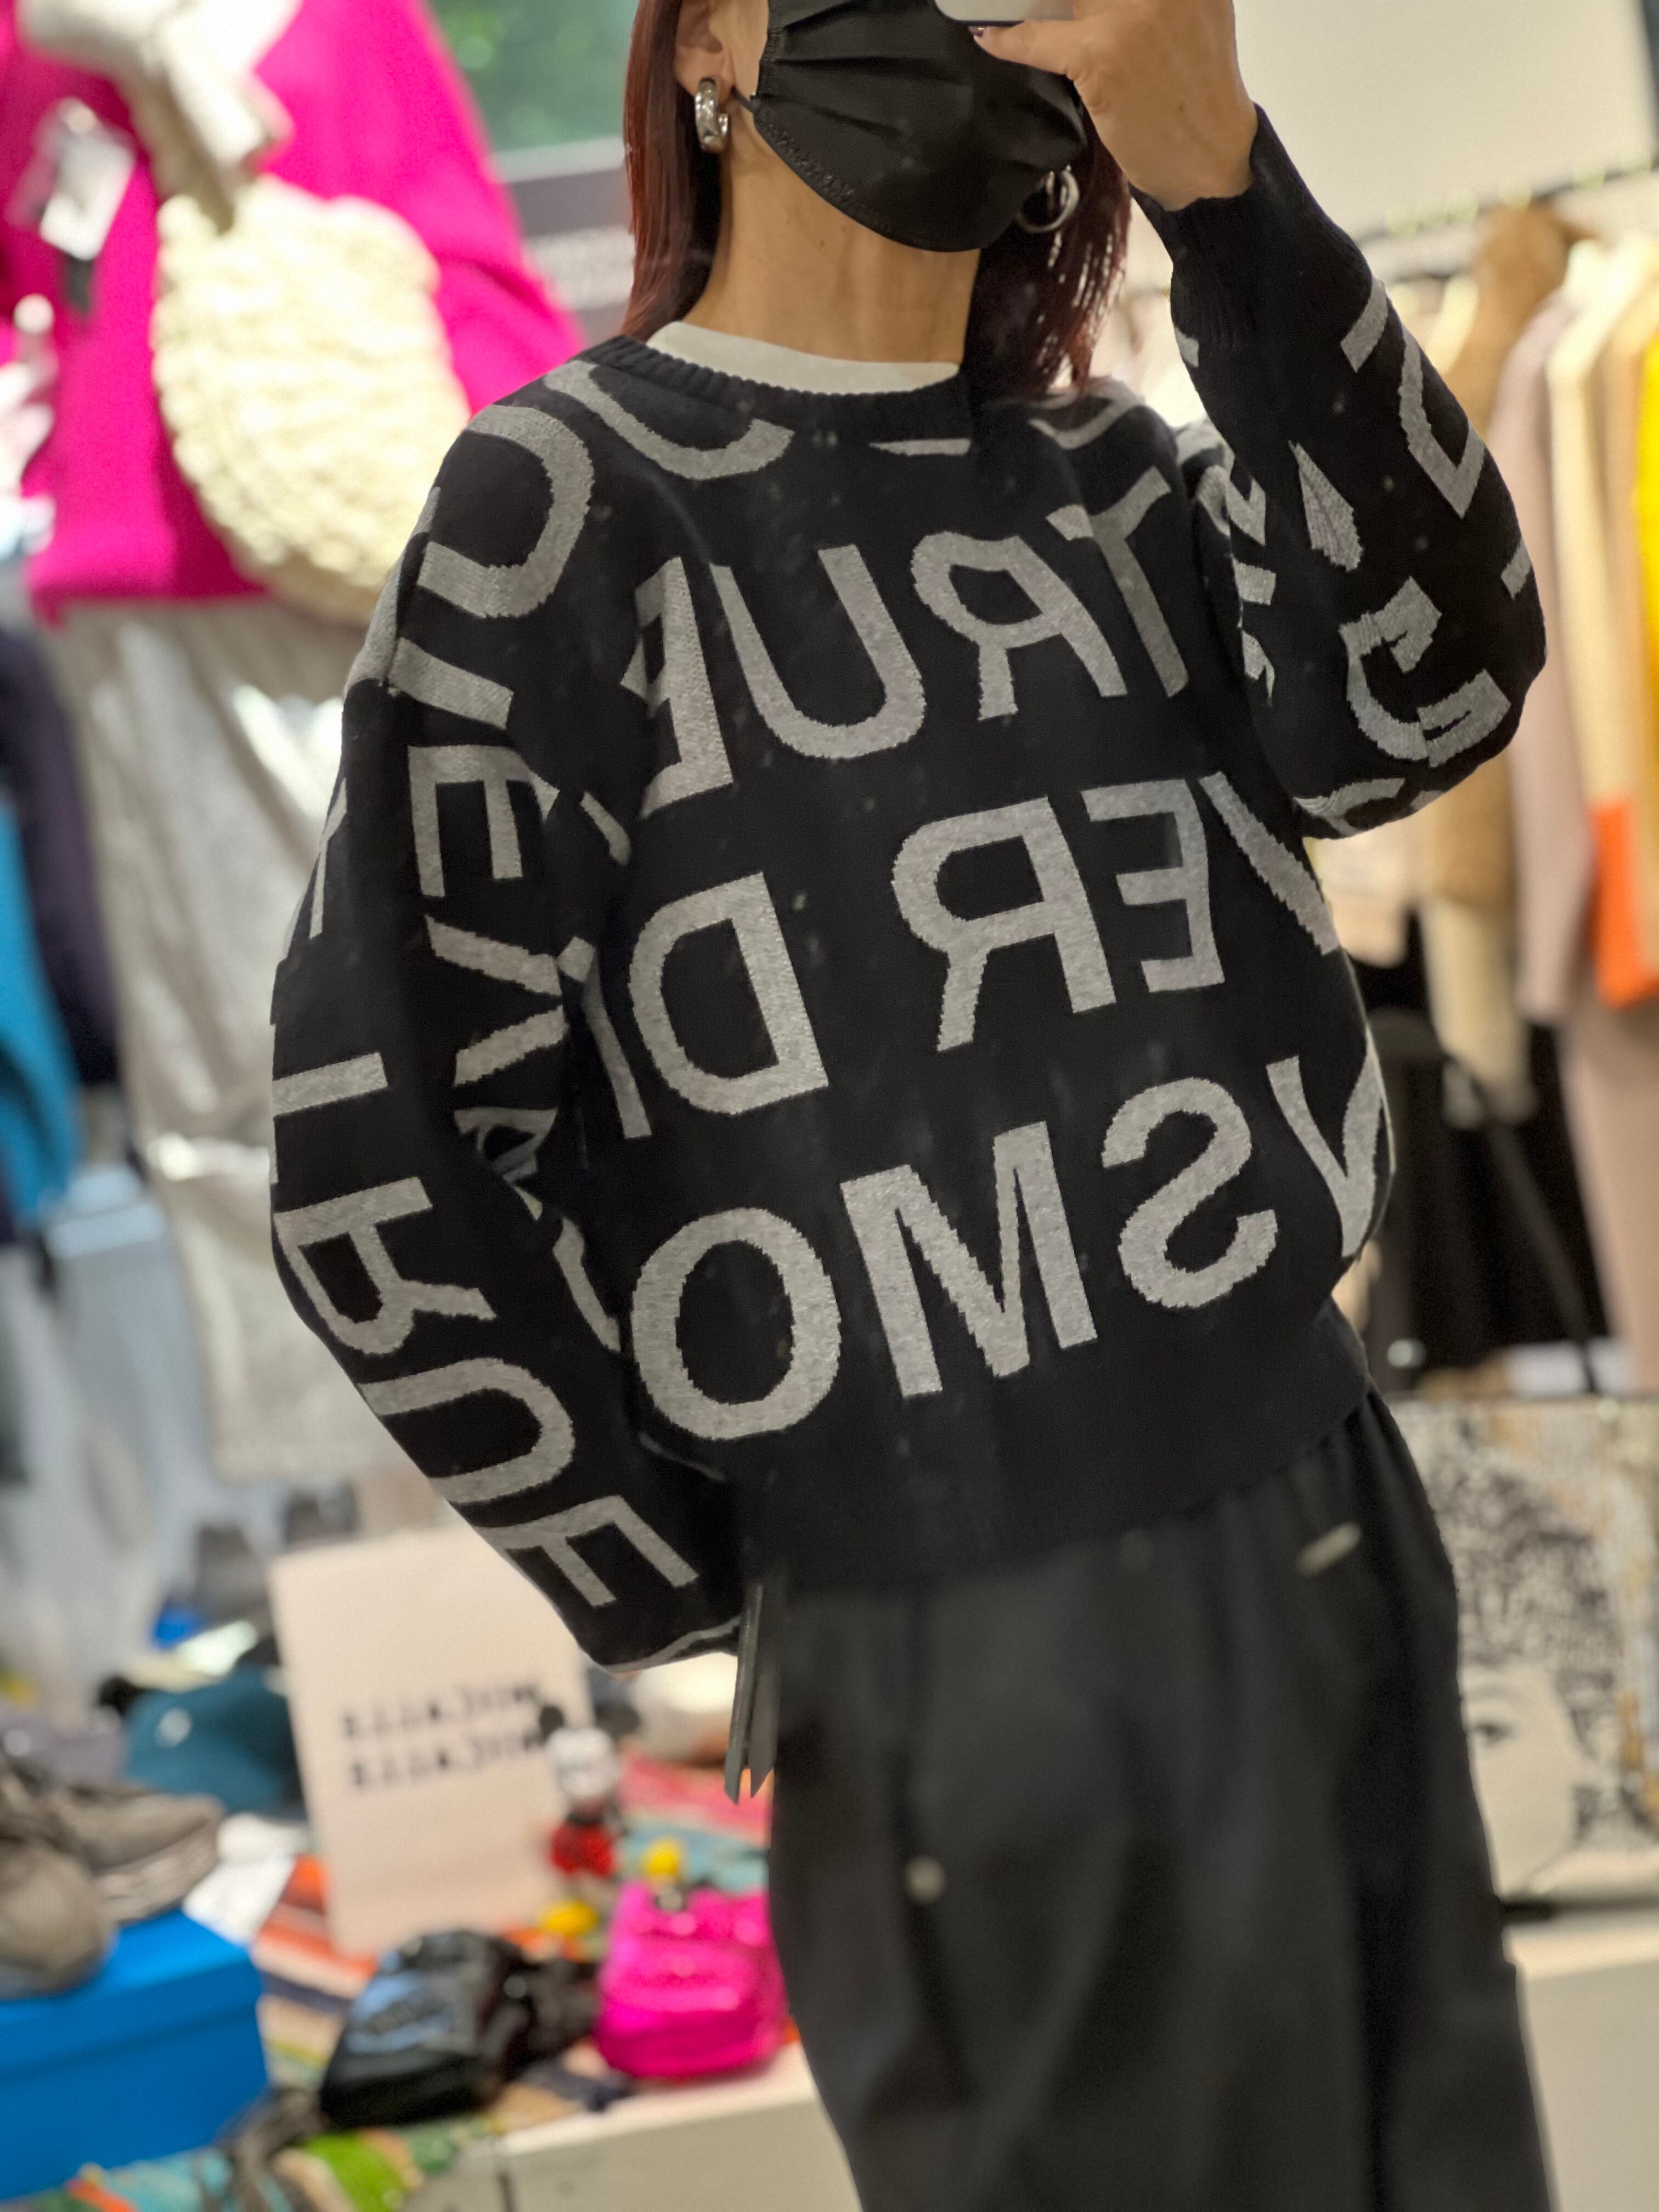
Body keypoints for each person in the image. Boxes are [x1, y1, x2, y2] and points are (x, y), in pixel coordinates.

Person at [269, 0, 1554, 2202]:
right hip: (956, 1608)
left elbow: (1431, 692)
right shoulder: (567, 511)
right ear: (709, 40)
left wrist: (1224, 183)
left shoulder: (1114, 475)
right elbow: (376, 1162)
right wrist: (733, 1571)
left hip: (1319, 1503)